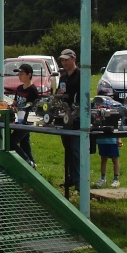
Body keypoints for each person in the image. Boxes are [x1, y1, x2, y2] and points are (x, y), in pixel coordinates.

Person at [57, 48, 81, 189]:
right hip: (64, 117)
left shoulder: (81, 75)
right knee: (68, 149)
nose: (64, 62)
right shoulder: (63, 77)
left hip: (77, 117)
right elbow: (59, 93)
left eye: (66, 60)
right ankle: (71, 177)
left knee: (76, 150)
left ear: (73, 59)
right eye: (62, 60)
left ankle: (79, 181)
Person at [11, 63, 38, 168]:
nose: (19, 76)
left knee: (11, 142)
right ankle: (32, 165)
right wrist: (12, 106)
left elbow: (32, 108)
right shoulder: (19, 88)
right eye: (19, 74)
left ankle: (27, 163)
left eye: (22, 74)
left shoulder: (33, 90)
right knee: (25, 144)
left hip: (26, 121)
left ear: (29, 75)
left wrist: (21, 109)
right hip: (18, 120)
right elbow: (15, 102)